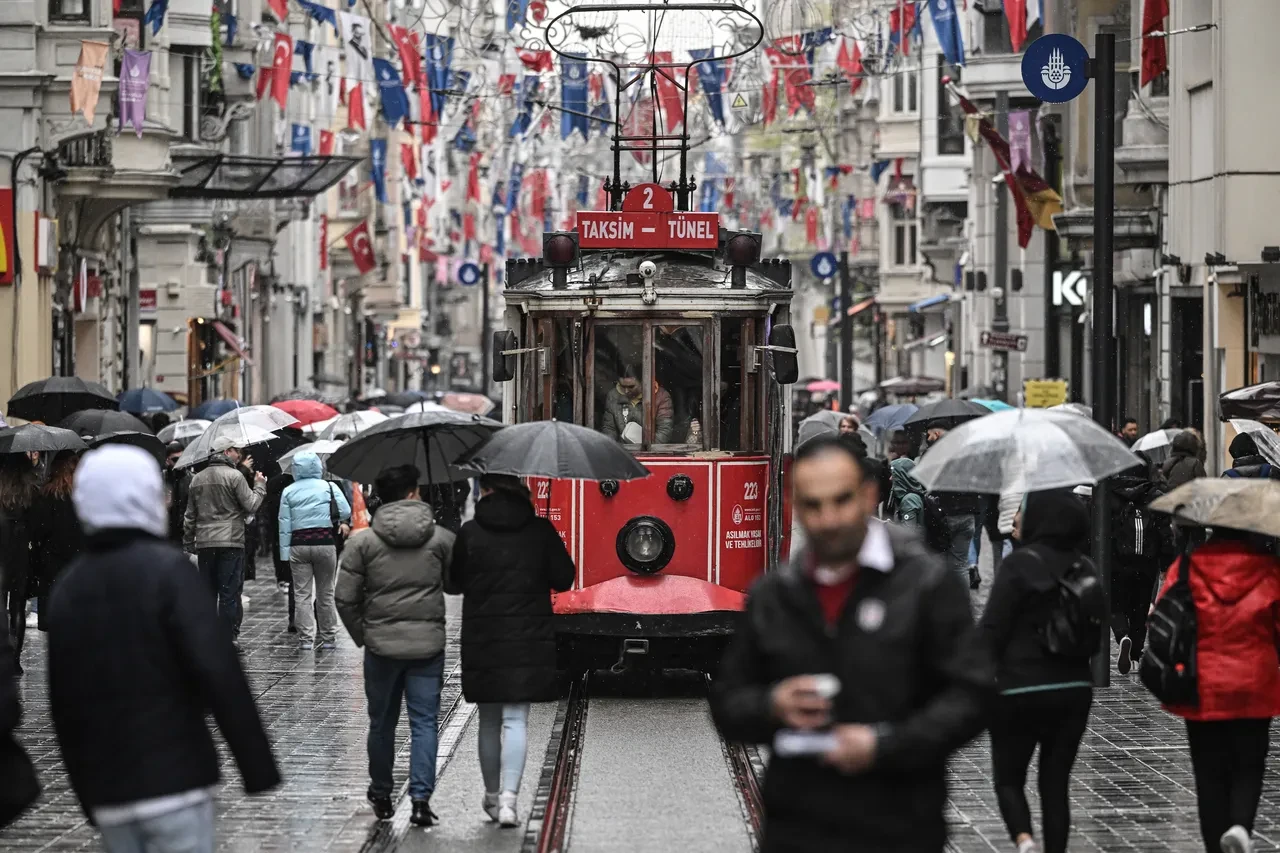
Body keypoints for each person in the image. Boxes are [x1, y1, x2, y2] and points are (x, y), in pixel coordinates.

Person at [711, 435, 990, 852]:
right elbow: (728, 701)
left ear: (867, 495)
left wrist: (885, 745)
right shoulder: (776, 594)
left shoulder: (924, 583)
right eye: (812, 505)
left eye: (840, 501)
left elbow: (972, 696)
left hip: (898, 823)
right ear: (793, 505)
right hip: (798, 825)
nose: (827, 519)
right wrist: (772, 705)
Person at [46, 445, 280, 853]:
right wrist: (256, 765)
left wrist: (86, 789)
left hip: (109, 788)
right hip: (176, 777)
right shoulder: (167, 571)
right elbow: (218, 669)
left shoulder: (69, 587)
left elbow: (63, 702)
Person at [446, 474, 574, 828]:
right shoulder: (539, 530)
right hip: (527, 638)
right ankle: (509, 802)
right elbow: (565, 579)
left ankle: (489, 796)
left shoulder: (470, 533)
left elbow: (452, 583)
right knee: (516, 718)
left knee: (488, 721)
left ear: (485, 491)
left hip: (483, 637)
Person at [336, 465, 454, 828]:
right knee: (423, 724)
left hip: (382, 648)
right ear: (413, 493)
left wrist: (365, 634)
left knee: (382, 724)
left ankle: (382, 792)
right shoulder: (441, 539)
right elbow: (453, 585)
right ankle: (420, 799)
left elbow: (344, 599)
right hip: (426, 648)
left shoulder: (362, 542)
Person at [979, 491, 1095, 853]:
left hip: (1018, 689)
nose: (1015, 517)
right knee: (1055, 783)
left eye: (1022, 511)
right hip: (1073, 689)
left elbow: (991, 632)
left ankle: (1025, 841)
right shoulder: (1085, 567)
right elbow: (1093, 632)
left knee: (1009, 779)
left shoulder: (1017, 566)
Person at [1154, 525, 1280, 853]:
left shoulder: (1185, 568)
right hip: (1255, 686)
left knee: (1208, 773)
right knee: (1249, 764)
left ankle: (1215, 846)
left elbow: (1165, 618)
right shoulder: (1269, 570)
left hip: (1203, 685)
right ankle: (1240, 826)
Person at [183, 436, 267, 643]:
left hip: (205, 542)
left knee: (208, 592)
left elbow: (190, 515)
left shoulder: (197, 478)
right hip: (230, 542)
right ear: (227, 451)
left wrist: (188, 542)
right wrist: (260, 486)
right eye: (236, 450)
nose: (239, 454)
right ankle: (229, 638)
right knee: (229, 592)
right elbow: (251, 505)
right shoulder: (235, 476)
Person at [278, 451, 351, 651]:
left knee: (301, 594)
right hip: (325, 543)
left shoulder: (289, 491)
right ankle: (328, 637)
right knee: (326, 592)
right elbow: (345, 511)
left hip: (298, 545)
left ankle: (306, 640)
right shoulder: (329, 486)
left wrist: (285, 554)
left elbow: (284, 524)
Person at [1109, 462, 1169, 675]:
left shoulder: (1112, 495)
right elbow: (1165, 533)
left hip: (1118, 562)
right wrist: (1166, 563)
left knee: (1114, 603)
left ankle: (1121, 635)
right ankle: (1135, 655)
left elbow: (1103, 531)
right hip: (1146, 562)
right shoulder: (1155, 496)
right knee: (1139, 608)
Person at [27, 450, 85, 634]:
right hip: (79, 560)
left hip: (53, 560)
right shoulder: (84, 495)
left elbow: (39, 529)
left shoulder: (48, 494)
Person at [920, 426, 983, 594]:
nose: (928, 437)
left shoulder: (934, 453)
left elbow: (923, 478)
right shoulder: (967, 453)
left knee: (938, 564)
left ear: (938, 433)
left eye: (929, 433)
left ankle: (941, 606)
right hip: (968, 514)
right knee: (960, 565)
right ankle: (962, 607)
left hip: (944, 514)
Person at [0, 455, 36, 674]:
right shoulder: (30, 489)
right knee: (18, 606)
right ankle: (15, 659)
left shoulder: (1, 488)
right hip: (22, 550)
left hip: (2, 547)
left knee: (2, 603)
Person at [260, 461, 295, 632]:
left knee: (298, 584)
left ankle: (294, 620)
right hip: (304, 535)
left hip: (280, 528)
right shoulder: (298, 486)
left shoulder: (275, 483)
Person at [599, 366, 673, 445]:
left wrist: (646, 451)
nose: (626, 391)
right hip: (622, 450)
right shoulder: (613, 396)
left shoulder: (661, 397)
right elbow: (609, 428)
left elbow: (664, 432)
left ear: (643, 382)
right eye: (622, 386)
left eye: (631, 387)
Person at [164, 442, 190, 545]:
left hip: (186, 533)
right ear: (167, 460)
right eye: (175, 459)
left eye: (182, 458)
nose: (180, 462)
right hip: (166, 533)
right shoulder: (161, 479)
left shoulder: (192, 479)